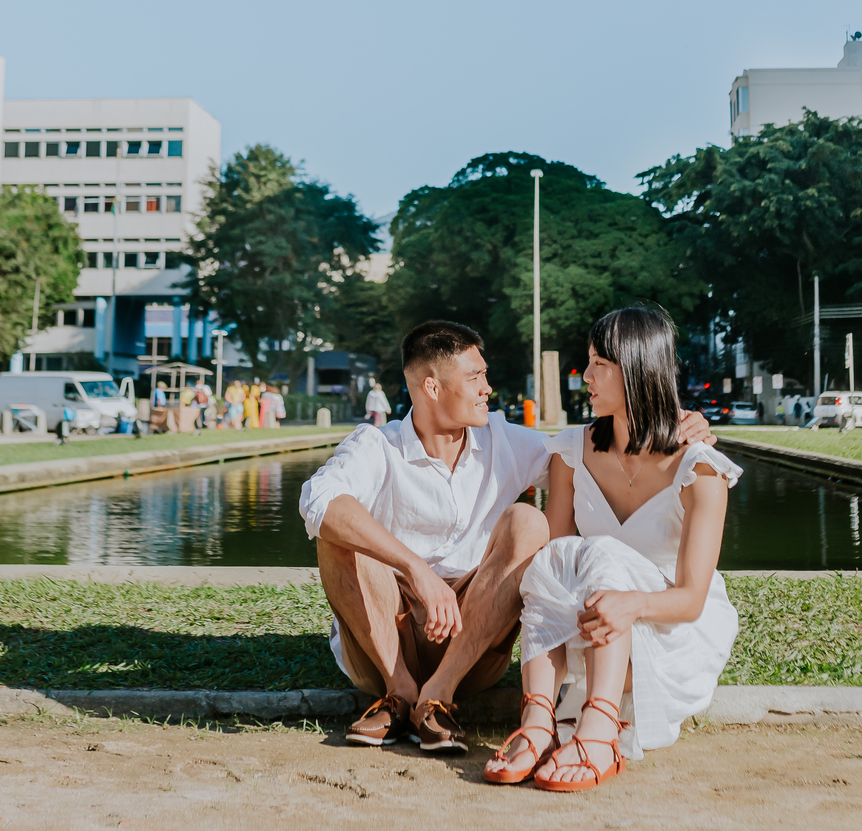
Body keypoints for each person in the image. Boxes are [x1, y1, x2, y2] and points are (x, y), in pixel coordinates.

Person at [299, 318, 716, 759]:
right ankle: (399, 692)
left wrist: (678, 423)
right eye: (474, 377)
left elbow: (586, 457)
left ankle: (437, 696)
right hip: (383, 642)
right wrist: (416, 570)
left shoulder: (505, 440)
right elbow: (318, 502)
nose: (488, 389)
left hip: (470, 643)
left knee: (528, 523)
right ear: (432, 388)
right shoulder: (375, 444)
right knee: (338, 530)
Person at [484, 305, 739, 791]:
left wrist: (632, 604)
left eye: (600, 363)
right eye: (588, 361)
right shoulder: (572, 451)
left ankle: (599, 731)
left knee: (599, 552)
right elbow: (554, 571)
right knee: (555, 557)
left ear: (639, 369)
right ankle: (537, 722)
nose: (586, 376)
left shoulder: (700, 469)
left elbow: (689, 600)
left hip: (665, 635)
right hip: (587, 630)